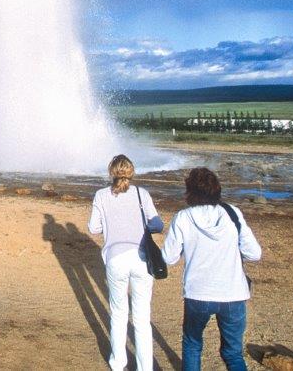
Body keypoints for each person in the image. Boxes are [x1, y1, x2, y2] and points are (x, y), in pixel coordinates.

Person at [162, 167, 261, 371]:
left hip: (198, 294)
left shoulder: (182, 217)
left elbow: (169, 258)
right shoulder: (232, 213)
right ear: (217, 189)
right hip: (233, 293)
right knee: (233, 354)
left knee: (192, 345)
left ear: (189, 190)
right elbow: (254, 253)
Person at [88, 154, 163, 371]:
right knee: (141, 318)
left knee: (119, 313)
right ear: (131, 172)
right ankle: (144, 368)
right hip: (141, 259)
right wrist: (143, 227)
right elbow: (157, 223)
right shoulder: (142, 194)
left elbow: (94, 228)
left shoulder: (101, 195)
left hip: (115, 259)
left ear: (111, 172)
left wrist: (112, 226)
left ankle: (118, 363)